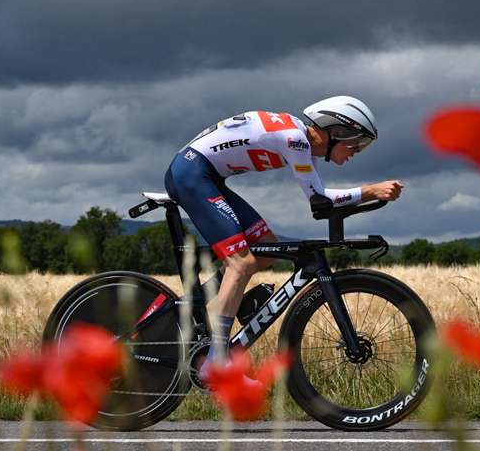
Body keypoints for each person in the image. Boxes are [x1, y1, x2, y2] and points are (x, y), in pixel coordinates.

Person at [163, 96, 404, 380]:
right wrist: (371, 191)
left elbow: (320, 202)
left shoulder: (301, 142)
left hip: (206, 175)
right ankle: (216, 363)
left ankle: (205, 302)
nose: (356, 152)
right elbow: (320, 198)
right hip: (191, 174)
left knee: (266, 247)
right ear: (335, 131)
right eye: (356, 144)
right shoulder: (295, 140)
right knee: (241, 264)